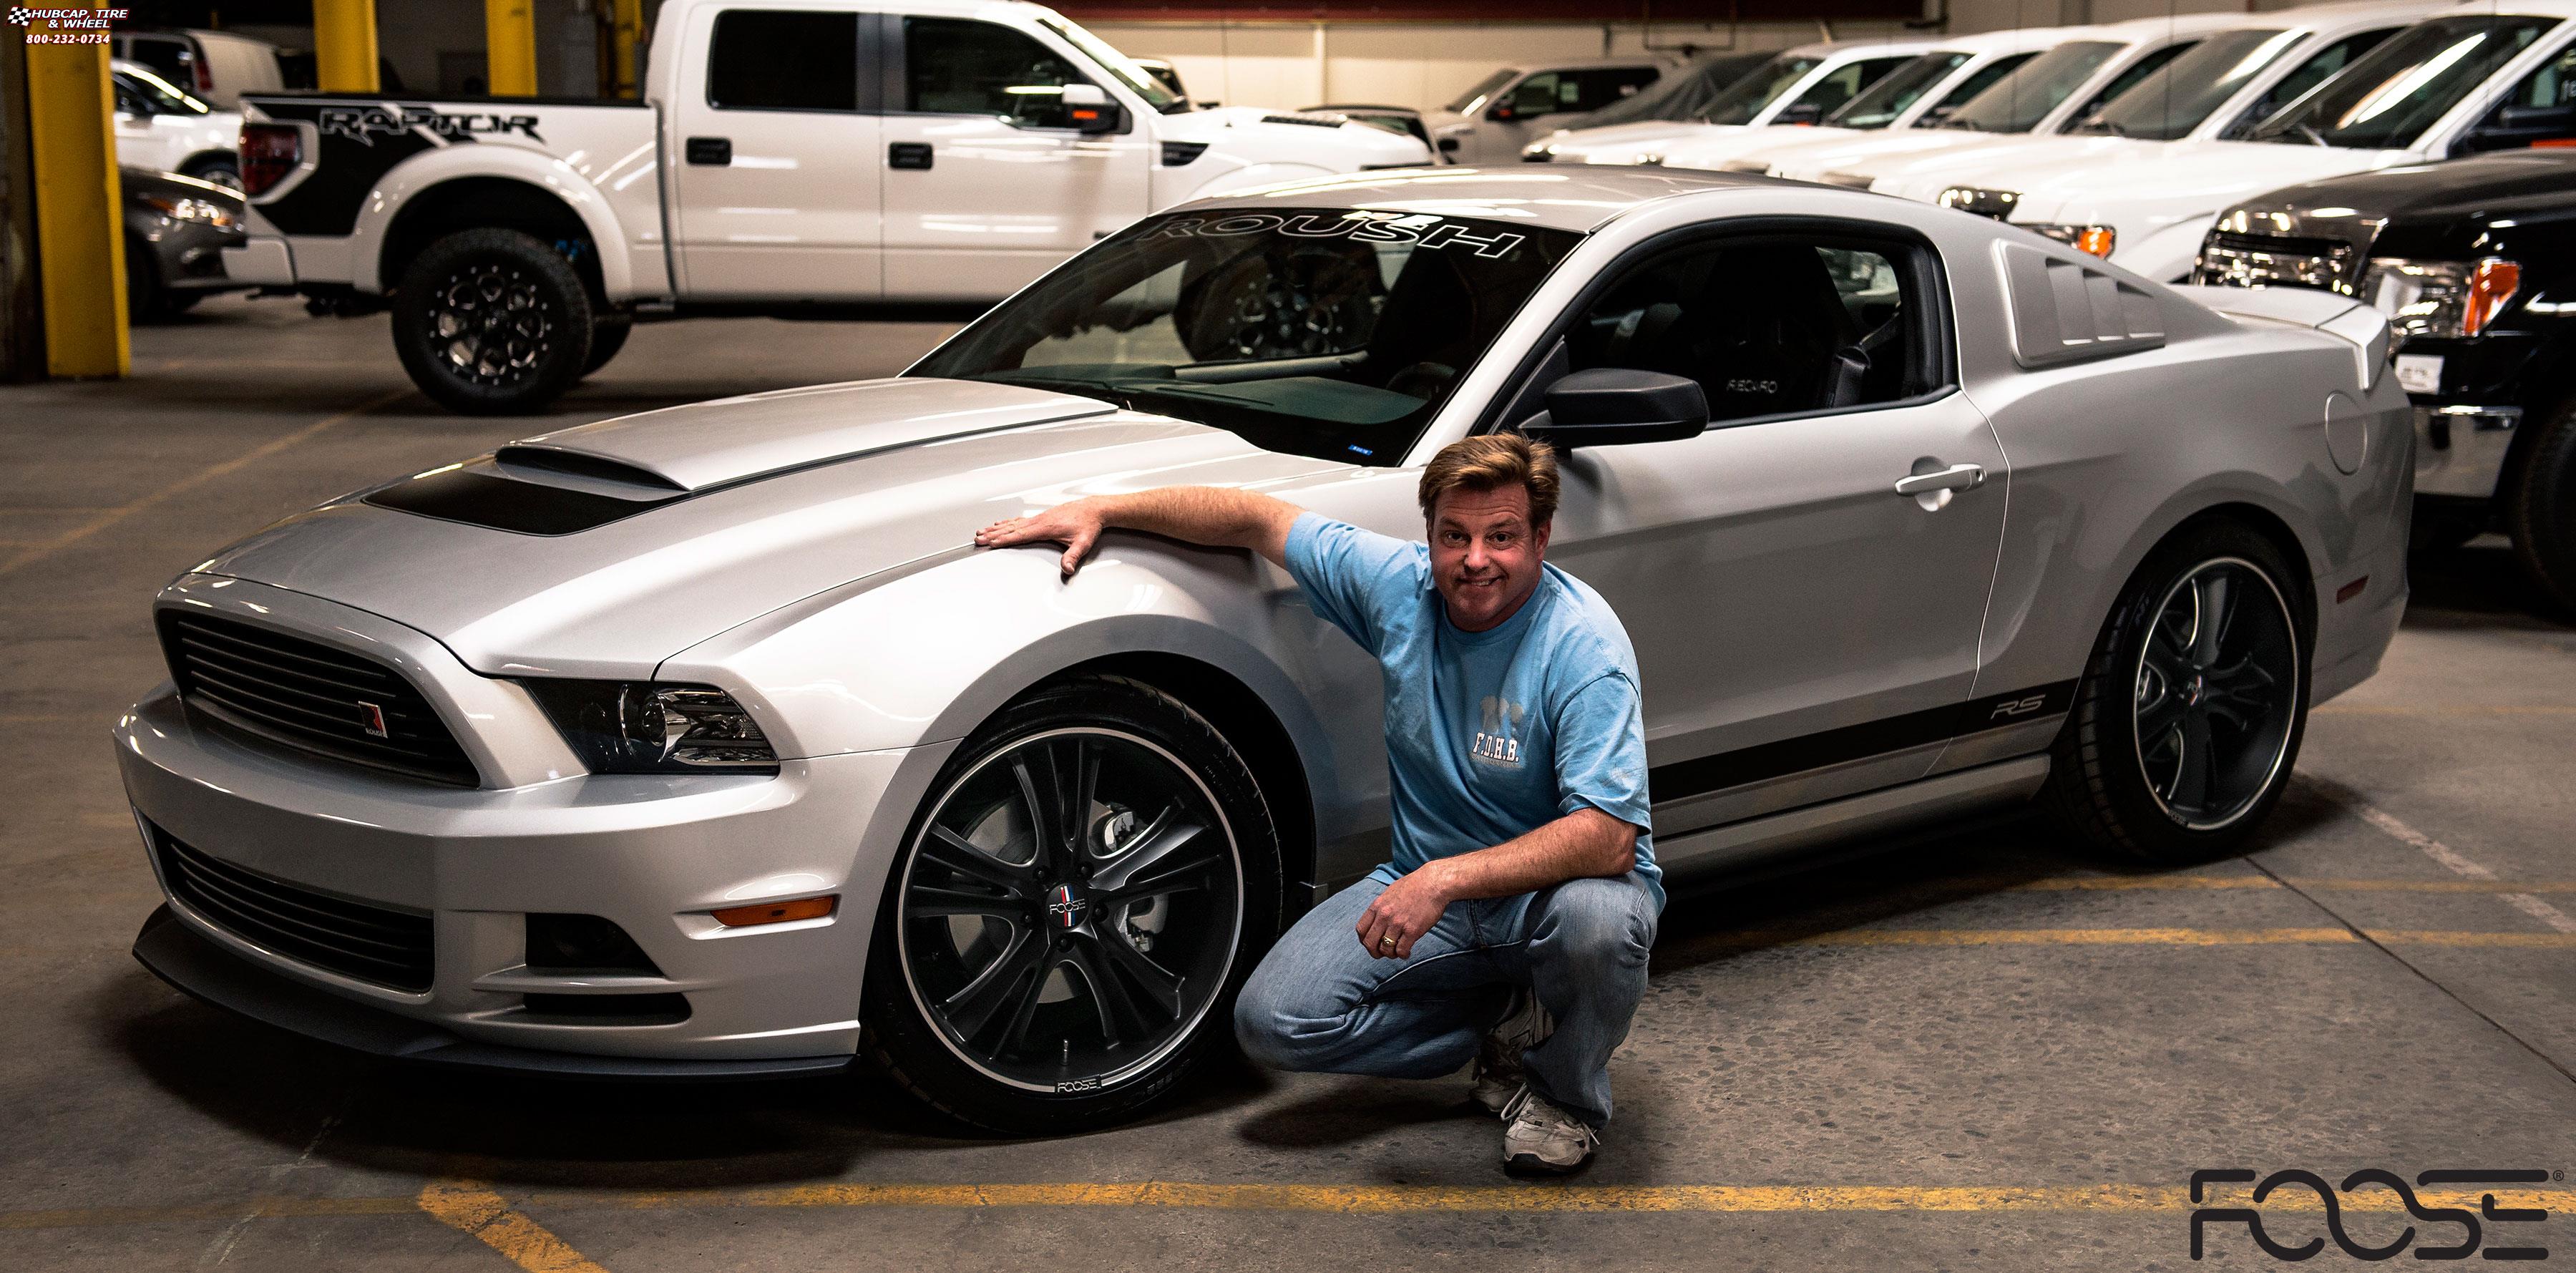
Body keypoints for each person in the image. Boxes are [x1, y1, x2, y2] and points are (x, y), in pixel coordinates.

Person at [973, 433, 1659, 1175]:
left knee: (1601, 923)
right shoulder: (1401, 586)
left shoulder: (1581, 648)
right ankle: (1505, 1027)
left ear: (1540, 538)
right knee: (1275, 1023)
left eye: (1501, 538)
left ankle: (1565, 1096)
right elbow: (1253, 518)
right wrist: (1105, 509)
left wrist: (1442, 880)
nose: (1474, 561)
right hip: (1428, 885)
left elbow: (1608, 839)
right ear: (1428, 534)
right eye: (1453, 536)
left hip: (1545, 896)